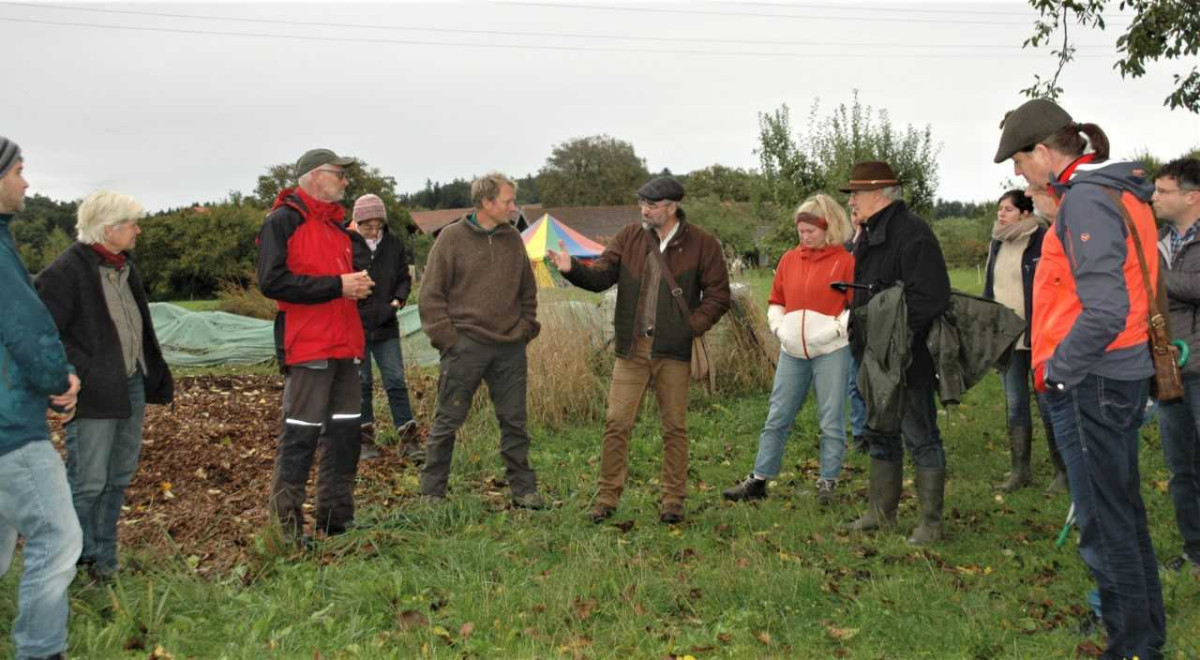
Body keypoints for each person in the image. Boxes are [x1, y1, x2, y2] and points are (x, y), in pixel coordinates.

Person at [995, 98, 1165, 658]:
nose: (1019, 175)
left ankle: (1131, 646)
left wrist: (1061, 374)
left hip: (1092, 378)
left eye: (1019, 162)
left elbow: (1105, 309)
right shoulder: (1109, 191)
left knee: (1105, 523)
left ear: (1043, 152)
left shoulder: (1088, 200)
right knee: (1121, 514)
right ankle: (1142, 638)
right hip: (1107, 374)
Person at [548, 176, 731, 524]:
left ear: (672, 207)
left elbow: (719, 295)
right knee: (616, 423)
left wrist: (691, 327)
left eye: (652, 205)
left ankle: (673, 501)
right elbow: (602, 276)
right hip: (632, 351)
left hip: (673, 352)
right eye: (642, 204)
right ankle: (606, 499)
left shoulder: (703, 244)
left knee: (674, 426)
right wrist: (573, 269)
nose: (644, 210)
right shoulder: (630, 237)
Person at [35, 190, 174, 579]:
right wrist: (70, 372)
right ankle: (73, 563)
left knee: (117, 477)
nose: (138, 230)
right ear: (109, 229)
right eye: (132, 224)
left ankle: (104, 562)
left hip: (129, 384)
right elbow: (45, 334)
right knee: (88, 481)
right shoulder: (66, 273)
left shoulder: (124, 267)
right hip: (92, 393)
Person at [258, 148, 373, 543]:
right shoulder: (283, 222)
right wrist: (338, 286)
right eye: (339, 174)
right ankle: (287, 528)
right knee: (301, 435)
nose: (345, 181)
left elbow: (339, 284)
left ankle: (336, 519)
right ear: (313, 176)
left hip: (346, 346)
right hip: (309, 347)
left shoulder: (337, 228)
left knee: (345, 434)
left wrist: (356, 287)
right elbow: (272, 282)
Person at [0, 135, 83, 660]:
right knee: (56, 539)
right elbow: (26, 327)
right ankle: (40, 650)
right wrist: (60, 381)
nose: (26, 182)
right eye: (18, 171)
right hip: (10, 428)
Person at [840, 161, 952, 546]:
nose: (851, 200)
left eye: (856, 193)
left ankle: (930, 523)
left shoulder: (913, 234)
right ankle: (879, 513)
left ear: (880, 193)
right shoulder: (869, 234)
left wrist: (893, 335)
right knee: (879, 431)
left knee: (920, 434)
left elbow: (931, 297)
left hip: (907, 358)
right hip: (870, 353)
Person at [417, 172, 545, 509]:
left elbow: (527, 292)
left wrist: (525, 328)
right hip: (465, 346)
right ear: (486, 203)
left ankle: (524, 491)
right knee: (447, 420)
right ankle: (432, 493)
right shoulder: (451, 239)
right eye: (507, 201)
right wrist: (449, 340)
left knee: (515, 421)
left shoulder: (513, 240)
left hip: (510, 348)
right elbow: (430, 295)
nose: (513, 208)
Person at [723, 193, 854, 505]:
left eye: (811, 231)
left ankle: (828, 482)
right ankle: (759, 479)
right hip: (792, 352)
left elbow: (855, 307)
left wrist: (833, 330)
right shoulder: (788, 260)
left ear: (830, 228)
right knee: (777, 414)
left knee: (831, 418)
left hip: (832, 351)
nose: (804, 236)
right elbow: (776, 301)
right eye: (801, 231)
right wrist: (780, 329)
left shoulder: (846, 262)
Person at [981, 190, 1066, 493]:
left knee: (1047, 403)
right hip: (1007, 336)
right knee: (1015, 403)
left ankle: (1062, 471)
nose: (1001, 215)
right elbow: (990, 287)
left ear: (1026, 213)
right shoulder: (997, 242)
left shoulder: (1043, 239)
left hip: (1039, 334)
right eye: (999, 209)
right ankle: (1020, 471)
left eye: (1008, 209)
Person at [1152, 157, 1200, 576]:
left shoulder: (1157, 256)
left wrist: (1153, 276)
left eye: (1163, 191)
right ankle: (1194, 551)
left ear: (1191, 196)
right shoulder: (1161, 241)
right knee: (1180, 466)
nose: (1155, 197)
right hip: (1169, 369)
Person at [349, 193, 420, 462]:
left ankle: (409, 440)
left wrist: (398, 299)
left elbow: (404, 277)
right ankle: (365, 441)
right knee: (362, 383)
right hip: (355, 325)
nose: (374, 230)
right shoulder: (346, 245)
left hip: (386, 324)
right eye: (368, 225)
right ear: (357, 222)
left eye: (378, 224)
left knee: (395, 381)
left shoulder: (393, 245)